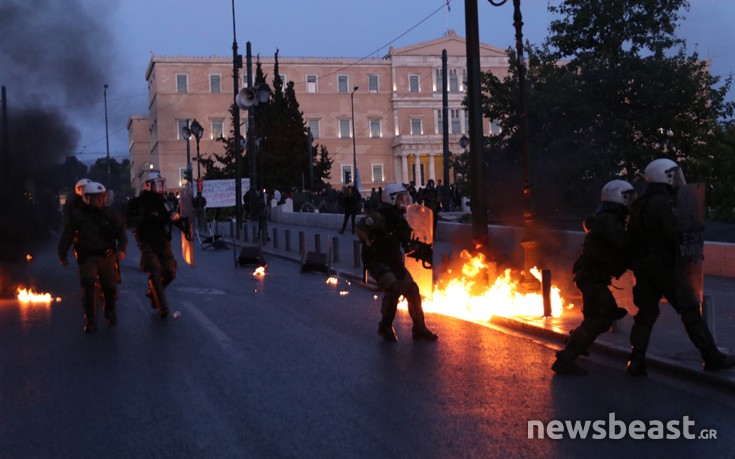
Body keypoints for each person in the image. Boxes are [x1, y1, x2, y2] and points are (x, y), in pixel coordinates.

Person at [626, 158, 735, 374]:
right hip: (664, 266)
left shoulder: (638, 204)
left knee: (645, 314)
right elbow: (675, 234)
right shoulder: (664, 203)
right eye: (673, 175)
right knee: (689, 311)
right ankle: (711, 357)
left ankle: (636, 360)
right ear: (664, 176)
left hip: (643, 265)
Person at [551, 180, 635, 374]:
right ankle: (566, 357)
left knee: (598, 318)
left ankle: (576, 342)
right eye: (627, 197)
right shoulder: (608, 220)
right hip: (592, 277)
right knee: (599, 320)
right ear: (618, 197)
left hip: (591, 276)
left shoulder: (607, 217)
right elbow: (620, 243)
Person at [355, 183, 438, 342]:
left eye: (404, 197)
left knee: (412, 289)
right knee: (393, 287)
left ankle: (419, 328)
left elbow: (408, 242)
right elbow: (359, 228)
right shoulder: (379, 216)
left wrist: (419, 248)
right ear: (391, 199)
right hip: (377, 260)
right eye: (400, 198)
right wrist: (367, 242)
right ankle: (385, 327)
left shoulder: (400, 220)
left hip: (393, 260)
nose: (403, 200)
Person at [58, 182, 127, 333]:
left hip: (107, 256)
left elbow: (121, 232)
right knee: (88, 286)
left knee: (109, 287)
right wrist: (62, 254)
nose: (101, 200)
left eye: (102, 197)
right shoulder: (78, 215)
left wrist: (121, 249)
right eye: (97, 198)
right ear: (87, 198)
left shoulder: (110, 214)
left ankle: (109, 311)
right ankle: (91, 321)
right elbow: (68, 235)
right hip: (87, 256)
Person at [125, 172, 187, 319]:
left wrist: (183, 224)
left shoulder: (164, 202)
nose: (160, 187)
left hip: (163, 240)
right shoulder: (137, 203)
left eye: (161, 184)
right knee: (154, 270)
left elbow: (174, 216)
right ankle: (162, 307)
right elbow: (129, 222)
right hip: (146, 241)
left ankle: (153, 293)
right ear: (147, 185)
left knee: (170, 271)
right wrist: (145, 218)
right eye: (156, 184)